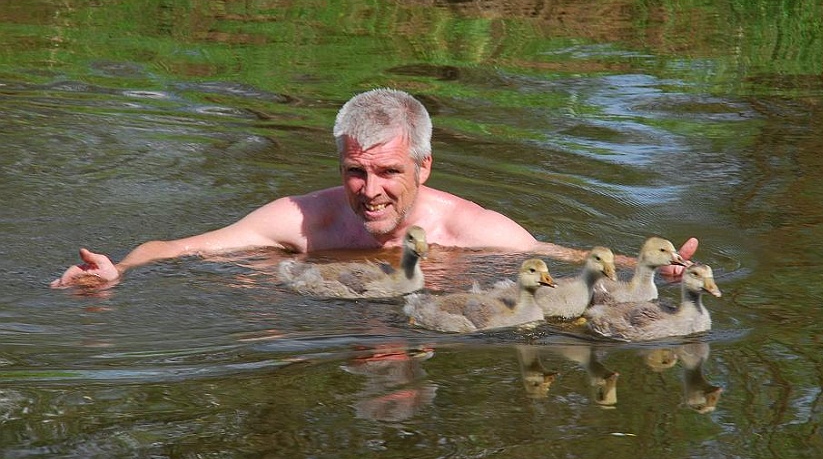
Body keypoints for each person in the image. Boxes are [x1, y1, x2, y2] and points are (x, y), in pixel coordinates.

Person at [51, 87, 696, 287]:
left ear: (424, 168)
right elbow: (177, 247)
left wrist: (652, 271)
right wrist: (120, 273)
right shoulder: (305, 221)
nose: (370, 190)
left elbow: (569, 258)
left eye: (389, 172)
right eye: (355, 171)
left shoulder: (469, 231)